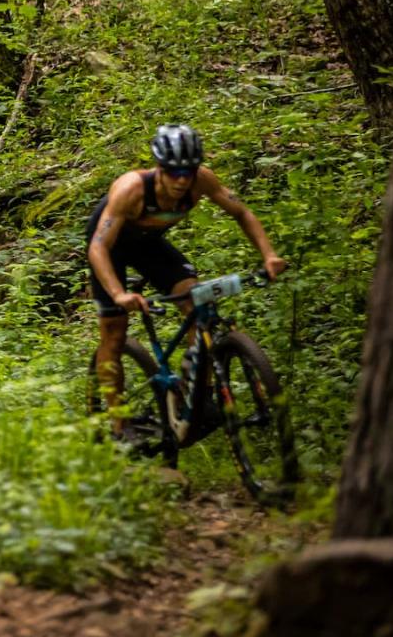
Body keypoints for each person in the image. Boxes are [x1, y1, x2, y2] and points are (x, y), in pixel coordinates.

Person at [87, 124, 287, 439]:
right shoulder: (131, 189)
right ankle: (118, 424)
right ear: (159, 168)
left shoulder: (202, 180)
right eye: (173, 172)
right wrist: (118, 293)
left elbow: (242, 213)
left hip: (148, 244)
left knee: (196, 302)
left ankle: (196, 397)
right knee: (114, 332)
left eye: (188, 171)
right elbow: (98, 248)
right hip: (109, 247)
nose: (182, 180)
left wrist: (269, 256)